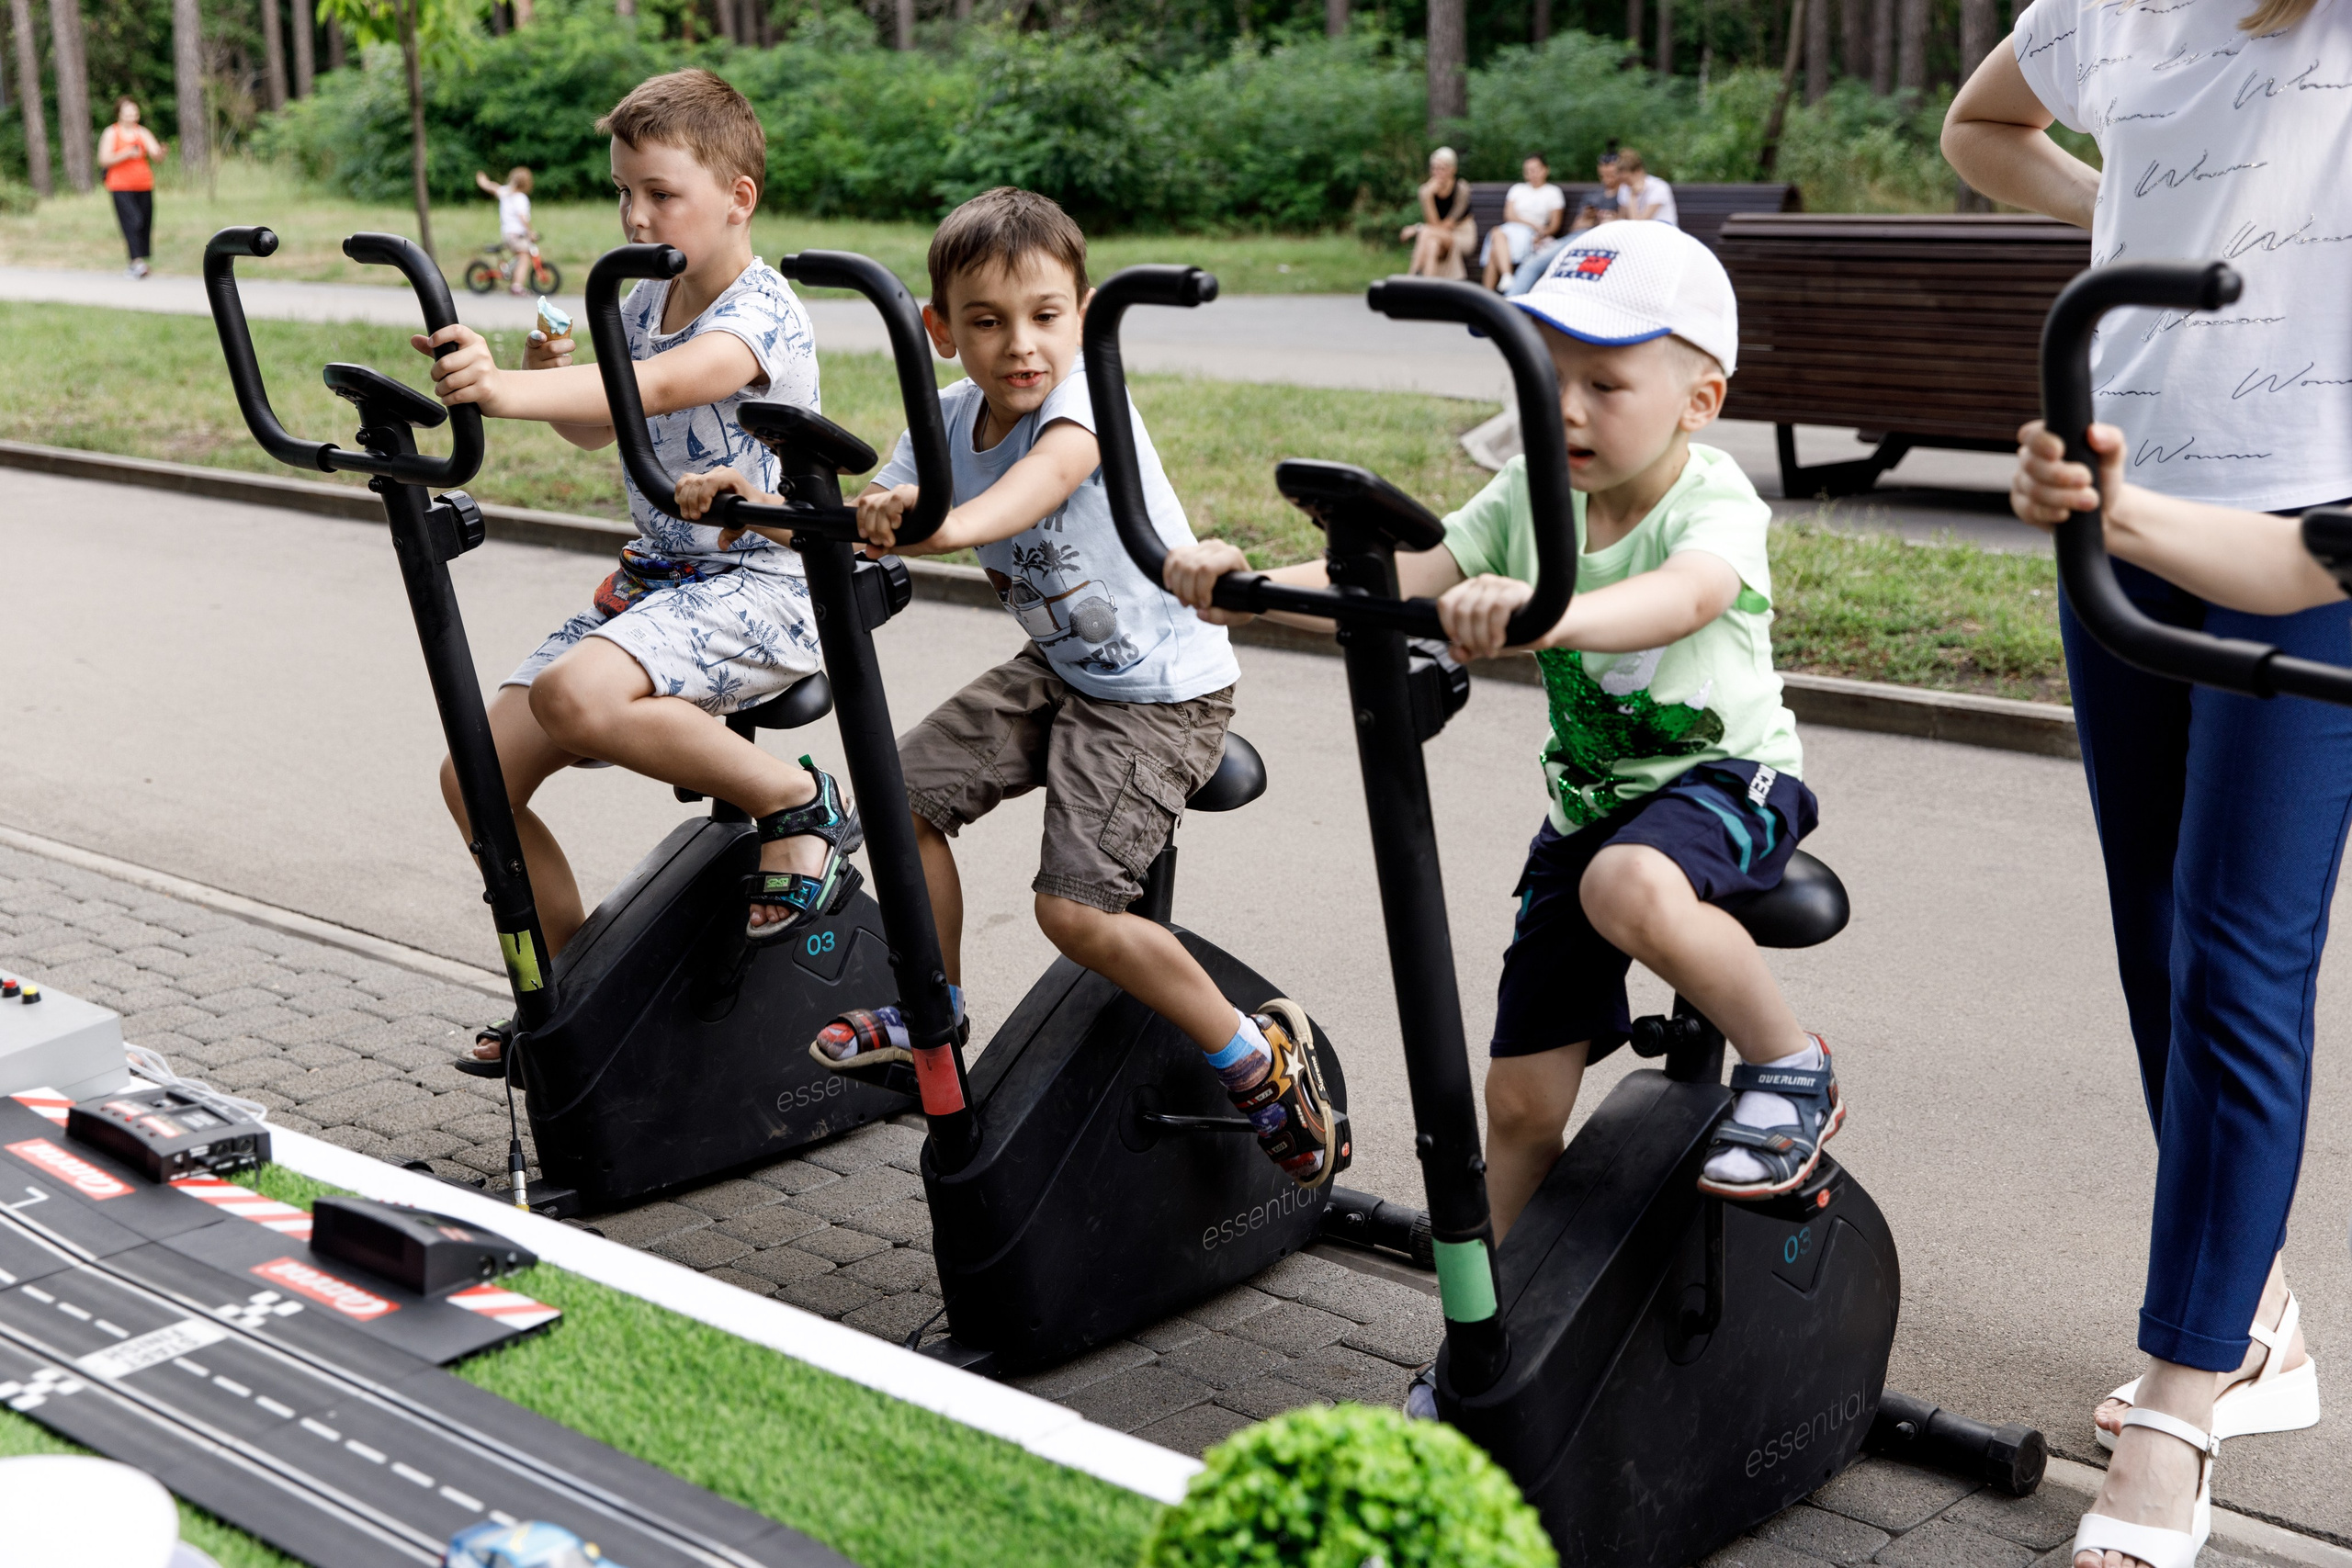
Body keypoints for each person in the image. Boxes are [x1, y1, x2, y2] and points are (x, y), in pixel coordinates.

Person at [1166, 221, 1824, 1213]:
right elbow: (1405, 578)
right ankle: (1493, 1350)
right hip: (1588, 812)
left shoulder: (1713, 499)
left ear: (1700, 402)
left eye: (1603, 385)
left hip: (1730, 780)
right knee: (1515, 1105)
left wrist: (1544, 614)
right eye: (1544, 379)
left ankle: (1789, 1068)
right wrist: (1246, 589)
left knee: (1628, 883)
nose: (1566, 408)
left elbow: (1686, 596)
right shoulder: (1529, 491)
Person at [1945, 0, 2352, 1554]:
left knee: (2245, 948)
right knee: (2159, 939)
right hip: (2125, 507)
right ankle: (2249, 1320)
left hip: (2320, 526)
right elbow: (1980, 126)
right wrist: (2105, 214)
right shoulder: (2100, 5)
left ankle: (2180, 1412)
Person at [776, 186, 1336, 1190]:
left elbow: (1026, 490)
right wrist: (750, 512)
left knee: (1074, 913)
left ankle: (1257, 1058)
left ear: (1080, 318)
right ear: (940, 332)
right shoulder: (945, 418)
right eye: (986, 322)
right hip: (1061, 670)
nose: (1019, 344)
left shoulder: (1086, 408)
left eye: (1044, 316)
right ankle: (930, 1013)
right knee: (896, 803)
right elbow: (876, 508)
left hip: (1163, 692)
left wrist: (935, 524)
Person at [413, 70, 850, 1068]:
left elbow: (664, 386)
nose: (635, 213)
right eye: (624, 193)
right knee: (475, 779)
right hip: (658, 579)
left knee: (574, 694)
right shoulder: (641, 297)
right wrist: (537, 377)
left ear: (738, 197)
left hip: (765, 582)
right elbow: (593, 422)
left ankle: (797, 801)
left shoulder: (764, 312)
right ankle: (581, 999)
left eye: (661, 193)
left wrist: (508, 390)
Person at [1506, 149, 1623, 297]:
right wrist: (1588, 218)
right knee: (1532, 263)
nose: (1606, 177)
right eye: (1603, 174)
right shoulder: (1592, 195)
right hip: (1578, 240)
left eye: (1611, 173)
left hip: (1605, 244)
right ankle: (1505, 310)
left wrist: (1613, 220)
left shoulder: (1625, 194)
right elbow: (1574, 229)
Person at [1481, 154, 1567, 291]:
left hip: (1532, 236)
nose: (1531, 174)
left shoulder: (1553, 192)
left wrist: (1540, 233)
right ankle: (1507, 276)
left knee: (1494, 250)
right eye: (1528, 170)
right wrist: (1532, 224)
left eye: (1535, 169)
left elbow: (1554, 226)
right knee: (1497, 233)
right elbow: (1509, 215)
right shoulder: (1517, 189)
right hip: (1512, 230)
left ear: (1545, 170)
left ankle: (1486, 298)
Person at [99, 100, 164, 280]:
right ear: (119, 113)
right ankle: (136, 262)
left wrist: (161, 153)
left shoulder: (141, 132)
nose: (132, 115)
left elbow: (155, 154)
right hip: (120, 186)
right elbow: (104, 159)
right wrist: (126, 153)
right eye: (127, 112)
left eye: (134, 111)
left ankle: (138, 262)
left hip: (143, 184)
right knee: (132, 221)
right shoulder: (111, 133)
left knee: (144, 222)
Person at [1403, 148, 1477, 280]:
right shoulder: (1425, 191)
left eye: (1442, 169)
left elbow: (1446, 225)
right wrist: (1429, 197)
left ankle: (1412, 275)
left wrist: (1418, 228)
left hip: (1461, 233)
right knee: (1432, 244)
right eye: (1434, 168)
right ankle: (1427, 288)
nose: (1437, 173)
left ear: (1453, 170)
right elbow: (1433, 223)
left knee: (1426, 233)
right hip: (1436, 234)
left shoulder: (1461, 189)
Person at [475, 166, 539, 294]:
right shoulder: (521, 198)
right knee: (524, 258)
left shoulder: (506, 192)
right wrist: (530, 232)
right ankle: (517, 286)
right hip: (517, 234)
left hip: (507, 233)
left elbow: (493, 187)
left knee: (518, 256)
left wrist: (483, 181)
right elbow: (523, 218)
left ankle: (510, 275)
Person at [1614, 150, 1677, 226]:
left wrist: (1633, 196)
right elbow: (1623, 219)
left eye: (1627, 180)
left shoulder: (1659, 187)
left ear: (1639, 171)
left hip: (1662, 231)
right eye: (1623, 180)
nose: (1626, 184)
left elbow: (1639, 224)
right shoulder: (1624, 187)